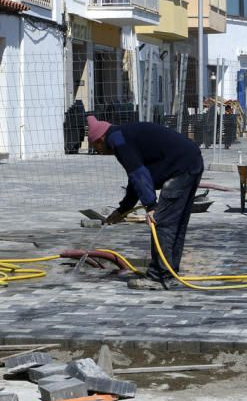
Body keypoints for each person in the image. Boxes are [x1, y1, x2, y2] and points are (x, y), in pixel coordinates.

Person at [87, 115, 204, 290]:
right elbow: (134, 179)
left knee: (162, 223)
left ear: (99, 140)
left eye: (96, 148)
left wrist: (151, 206)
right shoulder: (122, 135)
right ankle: (169, 273)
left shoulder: (117, 140)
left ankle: (158, 278)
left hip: (180, 169)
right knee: (176, 224)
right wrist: (123, 210)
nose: (99, 152)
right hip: (191, 162)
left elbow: (138, 173)